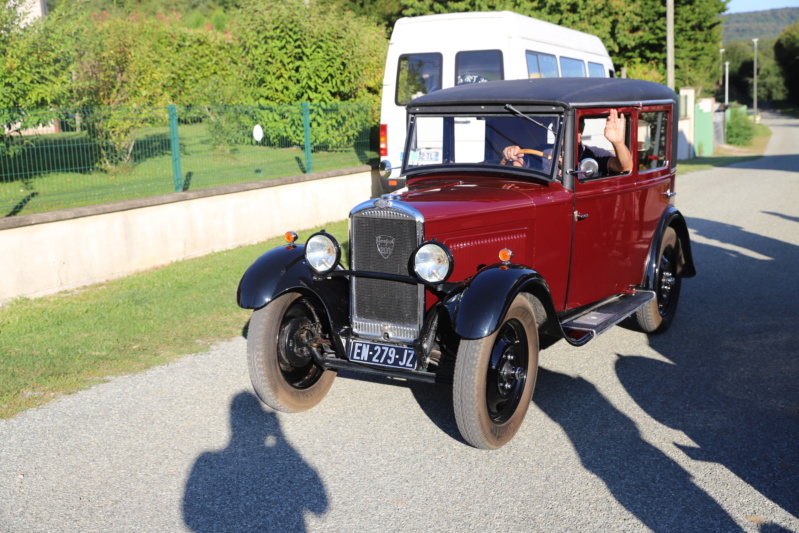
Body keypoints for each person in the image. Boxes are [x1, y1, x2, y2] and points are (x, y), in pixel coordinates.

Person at [503, 109, 633, 176]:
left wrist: (618, 143)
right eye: (562, 129)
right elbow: (519, 166)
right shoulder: (543, 151)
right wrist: (512, 155)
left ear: (581, 130)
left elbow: (624, 166)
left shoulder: (594, 154)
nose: (567, 134)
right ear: (554, 129)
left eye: (574, 129)